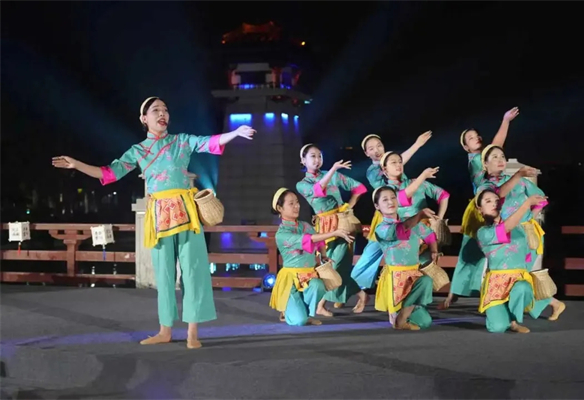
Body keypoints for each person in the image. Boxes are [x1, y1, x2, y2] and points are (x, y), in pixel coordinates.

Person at [52, 96, 255, 349]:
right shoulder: (138, 151)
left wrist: (234, 133)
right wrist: (77, 165)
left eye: (165, 110)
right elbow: (109, 173)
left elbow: (208, 142)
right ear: (144, 118)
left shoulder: (181, 141)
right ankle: (164, 330)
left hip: (187, 213)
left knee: (194, 271)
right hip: (159, 216)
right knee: (164, 274)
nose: (162, 114)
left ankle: (192, 332)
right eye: (156, 110)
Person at [440, 107, 520, 309]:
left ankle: (492, 293)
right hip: (479, 209)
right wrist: (505, 121)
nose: (475, 138)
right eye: (470, 138)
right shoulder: (476, 160)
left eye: (476, 136)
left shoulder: (486, 158)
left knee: (488, 251)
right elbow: (497, 146)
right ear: (466, 147)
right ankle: (454, 294)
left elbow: (497, 152)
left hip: (493, 204)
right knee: (470, 251)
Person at [475, 189, 565, 333]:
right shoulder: (483, 233)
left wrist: (538, 200)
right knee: (497, 328)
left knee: (522, 288)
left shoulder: (518, 227)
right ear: (480, 209)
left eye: (497, 201)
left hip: (518, 281)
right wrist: (527, 203)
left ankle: (514, 321)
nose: (494, 204)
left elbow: (529, 215)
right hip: (495, 286)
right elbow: (505, 228)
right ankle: (512, 317)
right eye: (488, 201)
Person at [351, 132, 432, 290]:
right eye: (371, 148)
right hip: (386, 219)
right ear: (366, 153)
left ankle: (413, 290)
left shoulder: (395, 165)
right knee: (371, 254)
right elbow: (395, 164)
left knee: (412, 252)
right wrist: (417, 146)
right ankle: (354, 288)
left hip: (404, 217)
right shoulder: (373, 171)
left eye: (379, 145)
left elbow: (398, 162)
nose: (376, 150)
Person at [296, 144, 369, 315]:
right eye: (313, 156)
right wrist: (333, 169)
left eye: (319, 156)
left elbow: (360, 188)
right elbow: (318, 190)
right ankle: (361, 295)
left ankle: (321, 304)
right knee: (328, 265)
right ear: (303, 160)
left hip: (343, 223)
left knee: (336, 265)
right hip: (324, 228)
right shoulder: (302, 184)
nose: (317, 159)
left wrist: (348, 206)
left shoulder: (333, 175)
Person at [269, 188, 354, 326]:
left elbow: (319, 241)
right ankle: (290, 311)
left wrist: (324, 256)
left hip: (309, 276)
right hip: (291, 280)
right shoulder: (282, 234)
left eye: (297, 202)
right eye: (291, 203)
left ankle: (304, 313)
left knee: (318, 285)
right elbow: (309, 239)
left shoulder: (305, 225)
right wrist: (334, 233)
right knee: (299, 321)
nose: (296, 206)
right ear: (280, 208)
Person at [372, 186, 439, 330]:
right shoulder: (382, 228)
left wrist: (434, 250)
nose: (390, 202)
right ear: (377, 206)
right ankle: (400, 318)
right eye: (385, 200)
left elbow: (429, 235)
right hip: (396, 279)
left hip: (413, 275)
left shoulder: (410, 222)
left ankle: (404, 313)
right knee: (425, 280)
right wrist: (420, 215)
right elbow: (402, 229)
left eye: (393, 198)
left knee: (425, 322)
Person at [478, 145, 546, 271]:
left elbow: (541, 198)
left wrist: (531, 216)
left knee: (531, 275)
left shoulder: (520, 181)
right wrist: (518, 175)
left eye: (502, 156)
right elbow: (497, 194)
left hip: (526, 234)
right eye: (495, 157)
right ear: (485, 163)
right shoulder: (484, 186)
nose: (500, 160)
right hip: (504, 235)